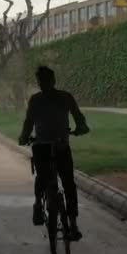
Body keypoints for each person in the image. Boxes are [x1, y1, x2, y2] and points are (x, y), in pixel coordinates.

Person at [18, 66, 89, 240]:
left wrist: (24, 138)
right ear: (54, 80)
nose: (42, 84)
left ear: (41, 82)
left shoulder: (35, 100)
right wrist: (81, 128)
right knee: (68, 184)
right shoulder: (66, 97)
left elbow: (28, 123)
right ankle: (73, 225)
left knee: (42, 177)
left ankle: (37, 205)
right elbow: (79, 118)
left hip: (41, 146)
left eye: (42, 81)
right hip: (61, 146)